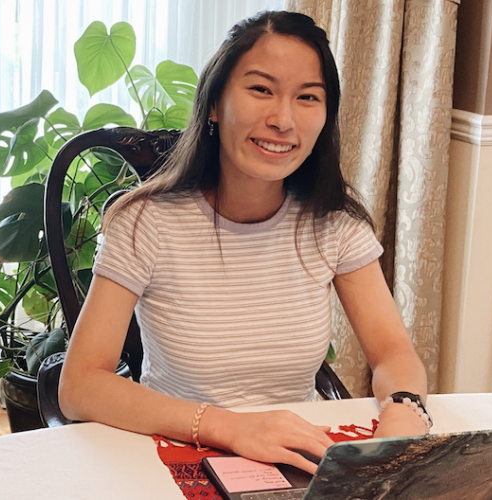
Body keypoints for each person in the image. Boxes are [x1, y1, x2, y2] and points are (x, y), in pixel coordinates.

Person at [59, 10, 429, 475]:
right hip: (174, 453)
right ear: (214, 103)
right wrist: (232, 428)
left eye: (308, 97)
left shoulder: (334, 223)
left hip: (295, 462)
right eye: (260, 89)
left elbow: (394, 354)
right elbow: (80, 386)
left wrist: (402, 409)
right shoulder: (144, 221)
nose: (283, 120)